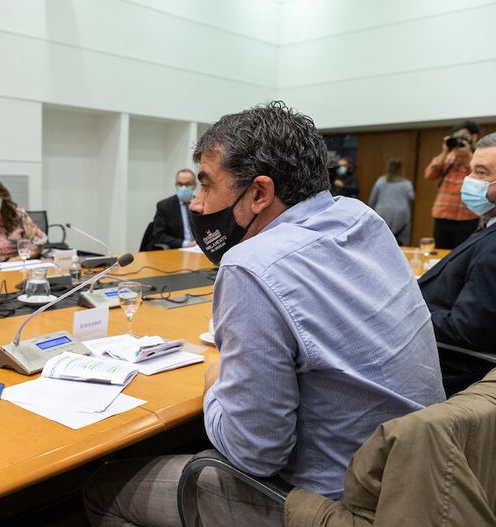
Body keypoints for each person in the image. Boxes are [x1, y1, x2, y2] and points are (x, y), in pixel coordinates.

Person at [83, 102, 445, 527]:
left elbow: (255, 452)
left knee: (105, 489)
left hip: (338, 505)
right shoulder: (362, 218)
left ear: (259, 193)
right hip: (421, 480)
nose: (196, 205)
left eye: (205, 185)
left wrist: (214, 384)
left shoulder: (251, 264)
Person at [419, 132, 496, 355]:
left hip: (441, 360)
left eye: (481, 173)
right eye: (471, 170)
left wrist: (407, 309)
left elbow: (468, 329)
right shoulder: (487, 225)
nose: (469, 179)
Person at [424, 120, 481, 249]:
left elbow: (480, 178)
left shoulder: (479, 156)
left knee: (462, 254)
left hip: (467, 217)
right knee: (441, 254)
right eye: (456, 136)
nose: (458, 139)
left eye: (462, 135)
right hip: (442, 215)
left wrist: (468, 158)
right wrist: (444, 152)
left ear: (474, 137)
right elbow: (429, 175)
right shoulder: (448, 157)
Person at [368, 158, 415, 245]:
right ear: (401, 169)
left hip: (382, 215)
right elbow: (412, 197)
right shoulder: (406, 184)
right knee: (400, 245)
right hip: (401, 218)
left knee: (381, 243)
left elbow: (372, 200)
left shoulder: (380, 181)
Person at [150, 169, 197, 248]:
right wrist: (186, 244)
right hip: (177, 250)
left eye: (187, 184)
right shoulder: (164, 206)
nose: (184, 188)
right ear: (176, 185)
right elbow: (158, 235)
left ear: (194, 185)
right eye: (180, 184)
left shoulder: (202, 204)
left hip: (200, 249)